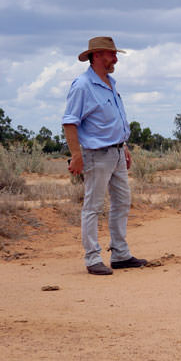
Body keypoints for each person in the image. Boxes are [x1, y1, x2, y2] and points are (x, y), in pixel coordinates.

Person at [62, 36, 148, 275]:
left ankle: (120, 254)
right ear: (97, 55)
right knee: (93, 206)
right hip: (96, 155)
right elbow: (70, 122)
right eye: (111, 54)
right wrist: (76, 155)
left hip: (117, 152)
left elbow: (114, 120)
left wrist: (125, 147)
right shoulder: (82, 85)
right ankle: (92, 259)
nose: (115, 59)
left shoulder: (110, 82)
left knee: (121, 202)